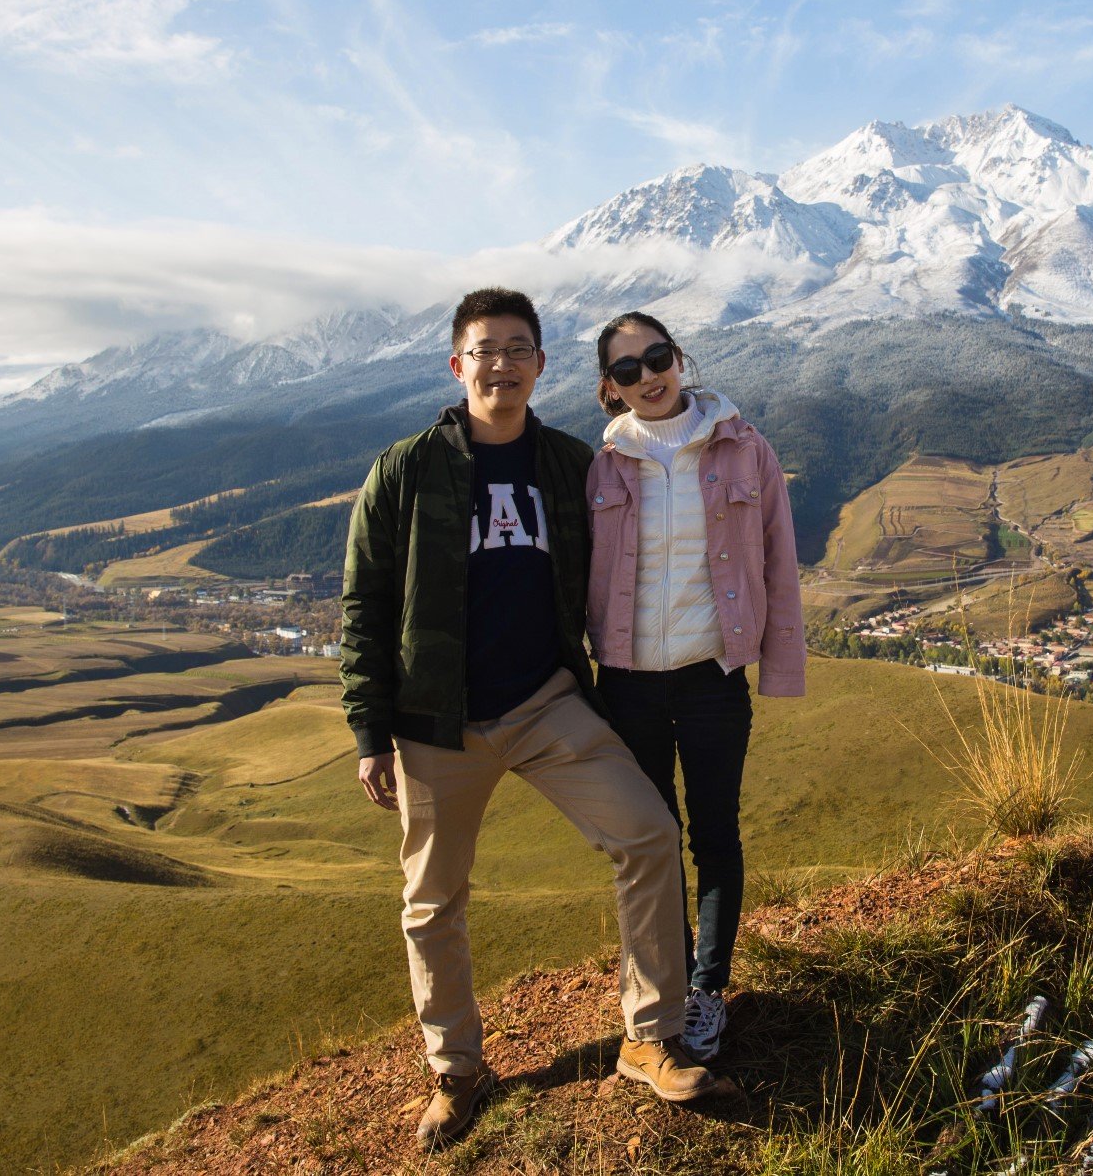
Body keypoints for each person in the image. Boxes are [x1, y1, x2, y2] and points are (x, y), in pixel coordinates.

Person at [340, 288, 721, 1152]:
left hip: (547, 702)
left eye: (518, 349)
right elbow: (363, 604)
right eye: (485, 350)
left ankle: (649, 1036)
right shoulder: (405, 470)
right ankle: (457, 1071)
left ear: (541, 365)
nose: (501, 365)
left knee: (649, 835)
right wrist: (370, 730)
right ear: (458, 365)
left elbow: (626, 561)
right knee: (432, 902)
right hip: (436, 721)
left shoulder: (566, 463)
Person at [584, 311, 805, 1063]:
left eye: (656, 358)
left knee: (715, 834)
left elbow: (778, 558)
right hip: (627, 684)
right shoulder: (601, 466)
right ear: (610, 388)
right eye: (627, 370)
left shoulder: (745, 447)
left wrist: (780, 668)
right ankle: (666, 984)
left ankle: (708, 988)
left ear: (678, 357)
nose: (647, 377)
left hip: (712, 678)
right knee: (651, 842)